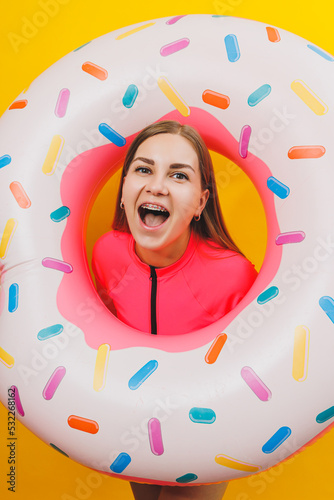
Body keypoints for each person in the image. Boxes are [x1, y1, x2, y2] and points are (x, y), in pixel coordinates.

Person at [92, 121, 258, 499]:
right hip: (133, 421)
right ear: (123, 192)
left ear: (201, 202)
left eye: (178, 175)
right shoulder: (107, 252)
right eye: (144, 169)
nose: (156, 185)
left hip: (205, 427)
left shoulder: (232, 274)